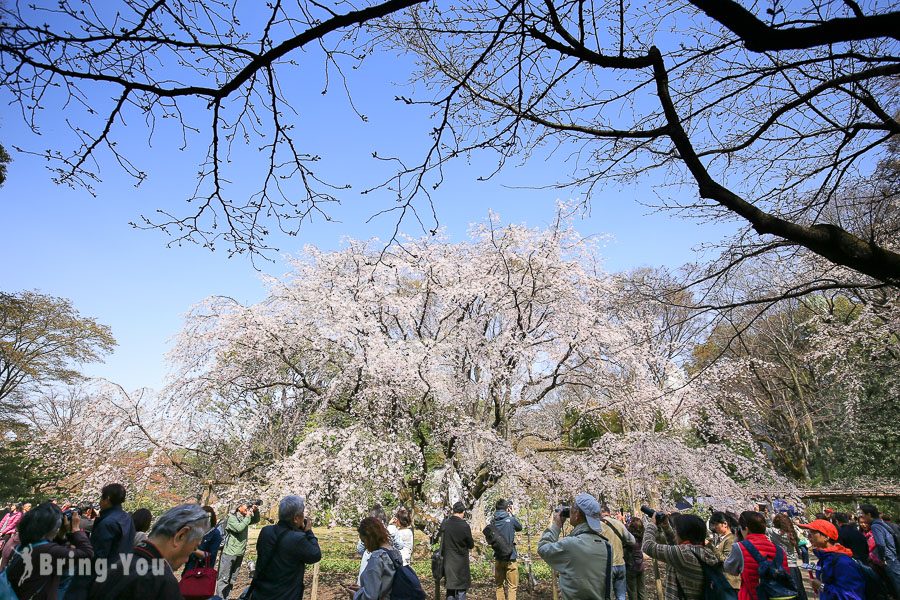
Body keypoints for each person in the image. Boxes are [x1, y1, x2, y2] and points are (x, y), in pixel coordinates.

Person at [88, 503, 210, 599]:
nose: (187, 558)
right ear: (181, 535)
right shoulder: (162, 583)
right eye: (194, 547)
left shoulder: (119, 564)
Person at [5, 501, 93, 600]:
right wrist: (76, 529)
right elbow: (87, 553)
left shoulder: (26, 545)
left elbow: (53, 546)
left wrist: (62, 533)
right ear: (50, 527)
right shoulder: (48, 551)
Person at [538, 493, 612, 600]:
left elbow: (543, 548)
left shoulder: (572, 544)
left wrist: (556, 525)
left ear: (577, 514)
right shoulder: (607, 546)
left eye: (572, 510)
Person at [250, 495, 322, 600]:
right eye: (302, 514)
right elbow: (315, 555)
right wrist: (309, 532)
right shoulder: (298, 539)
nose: (304, 517)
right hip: (285, 595)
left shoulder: (265, 531)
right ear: (296, 518)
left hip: (261, 593)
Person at [643, 510, 719, 600]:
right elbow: (675, 545)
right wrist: (666, 527)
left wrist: (652, 524)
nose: (675, 533)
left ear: (684, 533)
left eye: (676, 530)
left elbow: (648, 546)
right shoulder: (706, 552)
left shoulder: (684, 554)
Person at [724, 511, 791, 600]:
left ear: (746, 529)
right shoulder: (780, 550)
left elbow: (730, 569)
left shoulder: (740, 547)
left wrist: (737, 540)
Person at [798, 519, 866, 600]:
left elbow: (852, 595)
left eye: (812, 533)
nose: (809, 537)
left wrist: (821, 586)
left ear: (826, 537)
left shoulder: (843, 562)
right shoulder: (824, 558)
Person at [348, 516, 403, 600]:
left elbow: (370, 597)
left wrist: (355, 596)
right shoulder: (394, 552)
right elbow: (384, 585)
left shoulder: (377, 558)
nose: (365, 546)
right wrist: (361, 589)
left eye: (364, 541)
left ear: (370, 537)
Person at [216, 499, 261, 599]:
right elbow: (239, 528)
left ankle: (226, 597)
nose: (247, 508)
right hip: (229, 553)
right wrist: (248, 516)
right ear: (238, 507)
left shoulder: (244, 518)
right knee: (224, 578)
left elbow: (256, 520)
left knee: (232, 578)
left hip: (239, 553)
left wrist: (255, 511)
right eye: (246, 506)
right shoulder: (232, 518)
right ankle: (219, 598)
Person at [859, 503, 900, 596]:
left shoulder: (875, 526)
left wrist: (883, 559)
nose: (862, 516)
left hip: (889, 559)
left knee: (897, 583)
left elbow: (880, 544)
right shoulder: (882, 523)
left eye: (863, 514)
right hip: (893, 557)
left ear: (869, 515)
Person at [91, 483, 136, 566]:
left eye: (101, 497)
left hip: (103, 573)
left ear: (107, 499)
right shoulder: (128, 518)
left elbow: (98, 556)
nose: (99, 501)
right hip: (122, 569)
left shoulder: (107, 523)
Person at [357, 504, 403, 582]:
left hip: (369, 580)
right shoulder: (391, 531)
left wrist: (358, 593)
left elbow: (360, 549)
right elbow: (400, 545)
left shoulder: (375, 556)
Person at [768, 512, 807, 600]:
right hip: (793, 566)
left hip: (779, 565)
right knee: (798, 591)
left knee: (783, 594)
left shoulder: (772, 532)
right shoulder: (792, 533)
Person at [441, 501, 474, 600]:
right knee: (461, 589)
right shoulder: (464, 526)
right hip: (461, 562)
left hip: (448, 562)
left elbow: (442, 542)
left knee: (450, 589)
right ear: (462, 512)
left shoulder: (445, 524)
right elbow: (471, 544)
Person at [602, 505, 636, 600]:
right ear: (609, 513)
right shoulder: (618, 523)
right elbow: (632, 541)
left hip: (607, 566)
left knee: (607, 595)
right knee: (621, 596)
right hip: (621, 564)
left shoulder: (598, 526)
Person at [492, 499, 523, 600]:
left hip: (498, 557)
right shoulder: (511, 520)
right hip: (511, 557)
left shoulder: (492, 521)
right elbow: (519, 527)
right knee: (512, 586)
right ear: (507, 508)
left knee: (499, 585)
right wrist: (512, 514)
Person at [183, 505, 222, 573]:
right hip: (190, 567)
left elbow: (211, 556)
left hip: (203, 571)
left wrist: (193, 550)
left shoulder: (215, 534)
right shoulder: (196, 531)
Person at [711, 511, 742, 592]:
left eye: (716, 524)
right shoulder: (722, 539)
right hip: (724, 582)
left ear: (725, 524)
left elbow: (726, 559)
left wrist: (711, 547)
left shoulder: (731, 539)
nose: (715, 527)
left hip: (731, 583)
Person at [625, 517, 646, 600]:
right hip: (640, 566)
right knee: (642, 590)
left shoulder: (629, 540)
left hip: (631, 567)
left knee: (632, 591)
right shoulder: (642, 538)